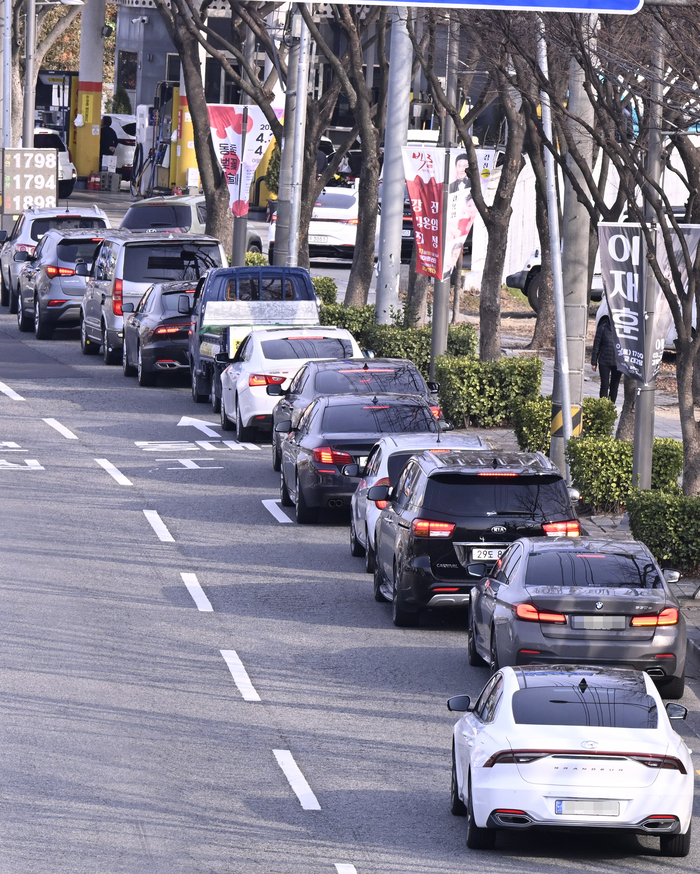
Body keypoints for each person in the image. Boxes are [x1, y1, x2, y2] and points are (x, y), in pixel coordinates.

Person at [591, 314, 621, 403]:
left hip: (618, 363)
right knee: (604, 384)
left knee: (614, 386)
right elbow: (596, 346)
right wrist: (594, 362)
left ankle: (611, 406)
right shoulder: (603, 328)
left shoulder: (623, 331)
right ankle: (603, 405)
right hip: (604, 361)